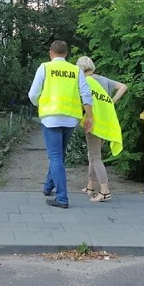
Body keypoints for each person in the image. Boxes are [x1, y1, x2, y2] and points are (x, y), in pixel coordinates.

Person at [28, 41, 93, 209]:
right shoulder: (75, 70)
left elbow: (33, 94)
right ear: (66, 54)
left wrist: (39, 104)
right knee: (59, 155)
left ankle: (62, 198)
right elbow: (86, 94)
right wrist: (89, 117)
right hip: (70, 118)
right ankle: (48, 186)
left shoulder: (45, 67)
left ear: (51, 53)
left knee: (55, 157)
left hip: (50, 118)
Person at [76, 56, 128, 203]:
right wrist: (113, 101)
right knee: (93, 155)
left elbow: (84, 101)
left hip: (93, 123)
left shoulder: (85, 81)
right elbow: (123, 86)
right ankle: (90, 186)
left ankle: (105, 191)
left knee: (95, 157)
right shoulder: (104, 80)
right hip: (106, 124)